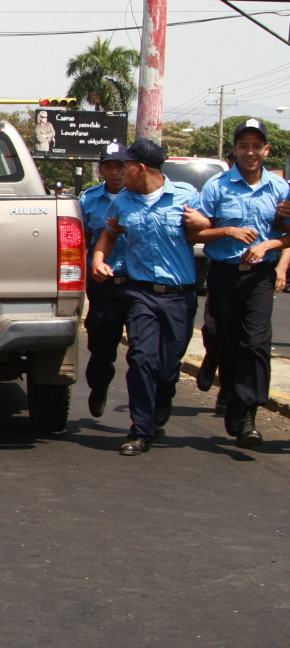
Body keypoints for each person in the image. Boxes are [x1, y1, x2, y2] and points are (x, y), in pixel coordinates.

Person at [90, 138, 208, 456]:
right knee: (140, 358)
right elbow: (108, 234)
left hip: (180, 297)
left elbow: (207, 228)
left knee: (167, 368)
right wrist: (99, 259)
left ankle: (163, 395)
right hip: (140, 293)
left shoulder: (186, 196)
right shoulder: (123, 202)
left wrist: (208, 223)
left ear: (140, 169)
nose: (119, 173)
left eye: (125, 166)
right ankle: (140, 432)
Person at [192, 120, 287, 448]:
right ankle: (231, 393)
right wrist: (227, 231)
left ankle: (247, 414)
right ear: (234, 149)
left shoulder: (280, 189)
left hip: (260, 276)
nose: (250, 152)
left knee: (256, 343)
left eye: (256, 146)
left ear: (266, 150)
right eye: (243, 145)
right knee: (229, 343)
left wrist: (268, 245)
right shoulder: (217, 187)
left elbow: (287, 232)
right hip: (224, 274)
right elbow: (196, 232)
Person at [79, 144, 131, 419]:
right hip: (103, 285)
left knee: (144, 352)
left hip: (137, 283)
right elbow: (81, 242)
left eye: (120, 166)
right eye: (109, 166)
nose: (115, 172)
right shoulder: (88, 200)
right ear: (101, 170)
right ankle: (99, 386)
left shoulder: (138, 197)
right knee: (101, 349)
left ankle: (146, 408)